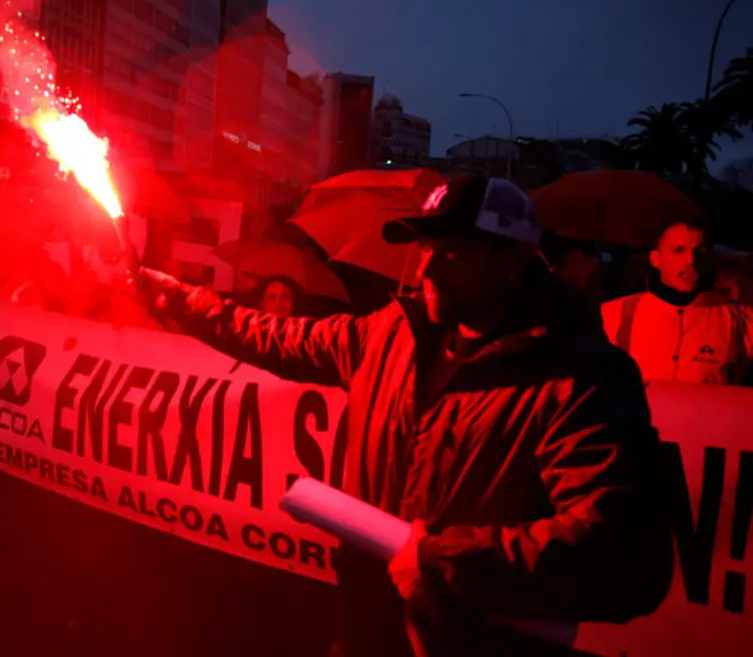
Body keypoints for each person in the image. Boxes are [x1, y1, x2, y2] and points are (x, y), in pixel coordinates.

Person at [144, 175, 672, 656]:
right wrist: (180, 301)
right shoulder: (387, 334)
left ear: (512, 259)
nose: (426, 269)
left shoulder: (583, 376)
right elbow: (278, 336)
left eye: (451, 252)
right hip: (364, 633)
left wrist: (443, 563)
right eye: (424, 247)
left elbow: (622, 553)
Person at [602, 220, 753, 385]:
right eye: (678, 251)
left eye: (700, 252)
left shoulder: (738, 319)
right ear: (656, 259)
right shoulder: (613, 313)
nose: (690, 260)